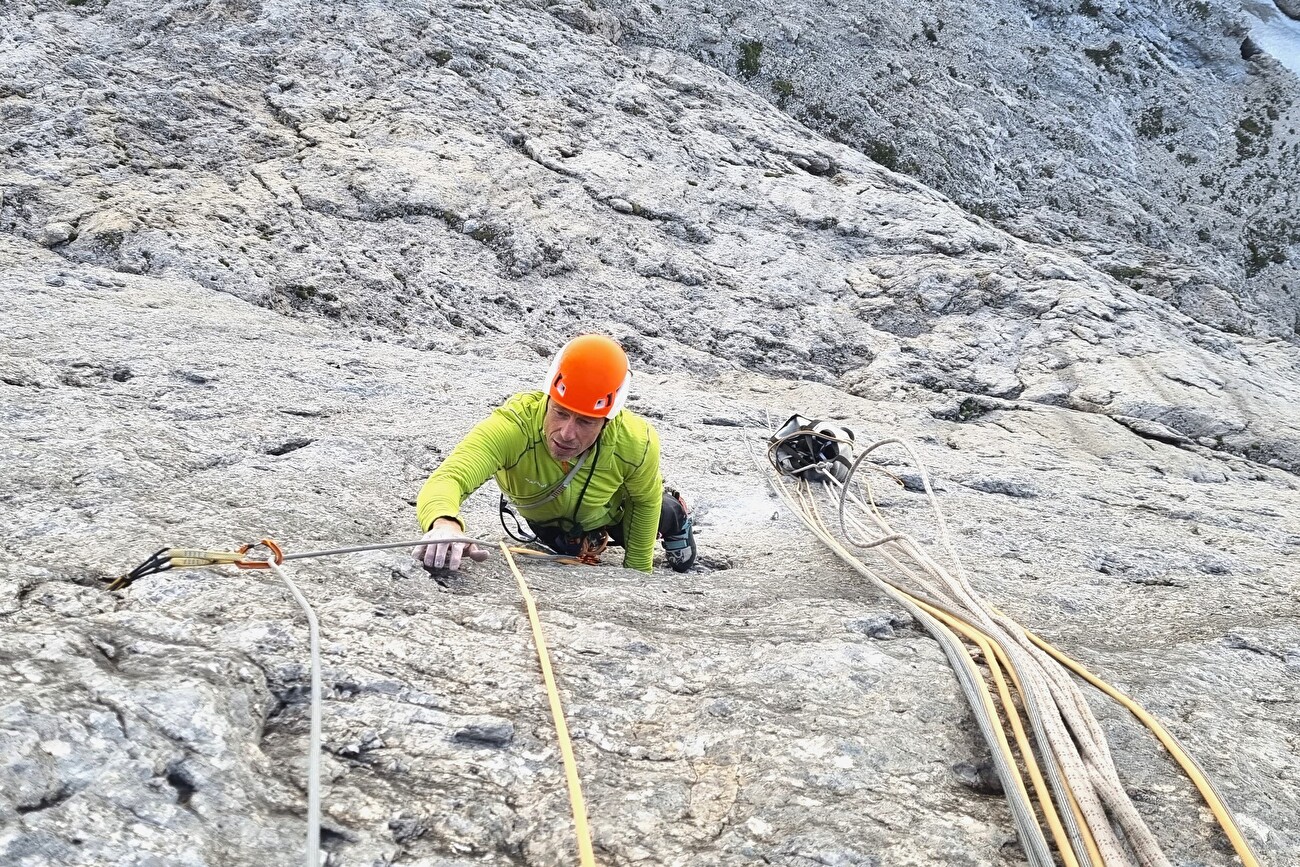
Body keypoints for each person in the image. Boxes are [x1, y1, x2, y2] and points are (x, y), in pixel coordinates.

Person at [413, 333, 696, 573]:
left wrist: (638, 573)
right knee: (565, 546)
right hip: (550, 521)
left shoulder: (635, 441)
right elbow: (450, 477)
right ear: (548, 398)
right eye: (559, 413)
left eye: (585, 421)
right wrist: (444, 522)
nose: (566, 433)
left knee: (659, 508)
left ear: (608, 420)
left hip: (612, 514)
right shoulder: (515, 426)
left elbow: (643, 503)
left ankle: (678, 517)